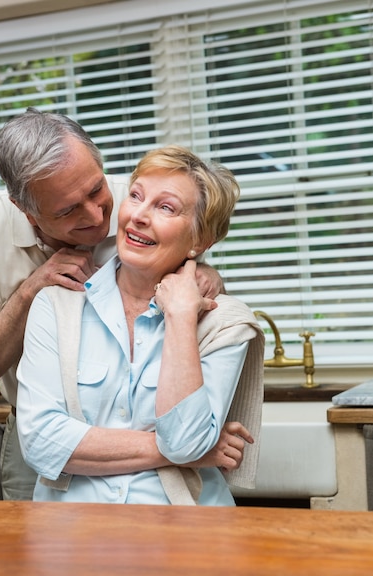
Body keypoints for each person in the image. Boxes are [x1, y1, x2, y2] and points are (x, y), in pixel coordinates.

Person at [0, 108, 227, 501]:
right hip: (40, 428)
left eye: (97, 190)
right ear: (24, 209)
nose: (99, 215)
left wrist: (206, 272)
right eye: (67, 211)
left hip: (151, 425)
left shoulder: (135, 202)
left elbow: (194, 248)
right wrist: (31, 292)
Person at [16, 145, 265, 505]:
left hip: (185, 533)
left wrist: (180, 316)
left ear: (200, 240)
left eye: (165, 207)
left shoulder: (224, 323)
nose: (139, 216)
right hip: (71, 536)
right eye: (136, 197)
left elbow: (184, 440)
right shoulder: (55, 305)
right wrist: (187, 452)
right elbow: (41, 443)